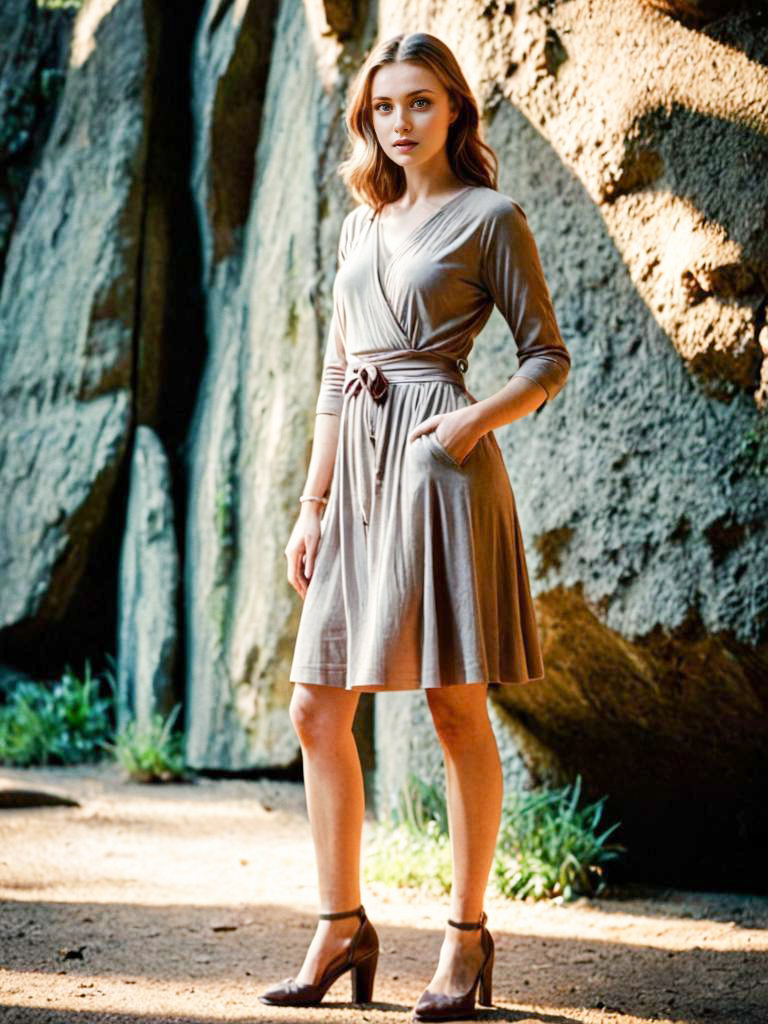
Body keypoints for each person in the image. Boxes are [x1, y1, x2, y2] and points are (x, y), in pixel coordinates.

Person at [259, 30, 571, 1023]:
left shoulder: (492, 218)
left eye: (421, 103)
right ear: (370, 115)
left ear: (457, 111)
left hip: (441, 474)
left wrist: (474, 420)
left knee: (450, 705)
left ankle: (467, 939)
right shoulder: (363, 224)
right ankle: (341, 923)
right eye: (385, 106)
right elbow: (333, 378)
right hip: (353, 478)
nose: (400, 122)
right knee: (317, 706)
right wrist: (309, 507)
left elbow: (546, 358)